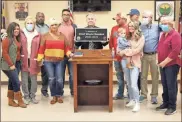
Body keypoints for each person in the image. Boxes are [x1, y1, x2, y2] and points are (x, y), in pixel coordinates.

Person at [37, 18, 74, 104]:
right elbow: (41, 49)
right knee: (51, 79)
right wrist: (39, 59)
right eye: (52, 25)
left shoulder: (62, 36)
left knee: (60, 79)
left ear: (58, 26)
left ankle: (59, 95)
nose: (54, 26)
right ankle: (54, 96)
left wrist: (70, 54)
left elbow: (67, 48)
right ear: (49, 26)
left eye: (55, 25)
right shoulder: (45, 36)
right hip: (48, 61)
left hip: (60, 61)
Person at [156, 16, 181, 115]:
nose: (163, 25)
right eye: (162, 23)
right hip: (163, 64)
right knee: (165, 84)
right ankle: (165, 103)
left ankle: (172, 106)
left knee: (171, 86)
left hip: (172, 64)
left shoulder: (176, 35)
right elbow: (160, 48)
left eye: (165, 23)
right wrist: (159, 61)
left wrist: (164, 62)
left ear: (171, 24)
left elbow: (175, 52)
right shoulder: (163, 34)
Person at [117, 21, 145, 112]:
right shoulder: (127, 36)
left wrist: (125, 52)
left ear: (136, 26)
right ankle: (132, 100)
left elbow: (138, 50)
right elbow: (119, 47)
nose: (130, 27)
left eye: (132, 26)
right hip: (125, 61)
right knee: (128, 83)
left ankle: (137, 103)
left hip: (135, 62)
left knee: (133, 84)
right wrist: (120, 51)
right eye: (129, 26)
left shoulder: (141, 37)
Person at [1, 22, 27, 108]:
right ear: (10, 30)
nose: (16, 30)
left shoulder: (17, 38)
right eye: (14, 29)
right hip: (8, 65)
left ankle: (10, 101)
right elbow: (4, 53)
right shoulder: (6, 39)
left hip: (17, 63)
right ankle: (20, 100)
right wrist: (11, 64)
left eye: (18, 29)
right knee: (16, 81)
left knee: (12, 81)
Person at [140, 10, 160, 104]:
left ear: (151, 18)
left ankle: (154, 96)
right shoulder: (141, 27)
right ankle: (143, 94)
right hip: (143, 55)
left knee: (155, 76)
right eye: (143, 17)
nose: (143, 19)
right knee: (143, 76)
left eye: (145, 17)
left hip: (154, 55)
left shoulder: (157, 27)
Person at [20, 16, 41, 105]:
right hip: (24, 58)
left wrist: (40, 59)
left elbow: (40, 47)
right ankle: (26, 96)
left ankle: (33, 96)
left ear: (34, 24)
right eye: (28, 23)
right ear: (25, 24)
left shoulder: (38, 34)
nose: (29, 25)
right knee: (24, 79)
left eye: (31, 23)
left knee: (33, 79)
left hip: (34, 59)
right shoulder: (21, 33)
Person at [58, 9, 77, 96]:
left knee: (73, 76)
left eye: (67, 14)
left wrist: (75, 51)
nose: (66, 16)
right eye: (64, 14)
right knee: (60, 77)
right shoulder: (58, 26)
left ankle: (73, 92)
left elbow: (77, 40)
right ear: (62, 16)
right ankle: (60, 93)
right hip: (60, 55)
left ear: (70, 16)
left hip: (71, 55)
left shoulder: (74, 26)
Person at [109, 12, 128, 100]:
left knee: (128, 76)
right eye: (115, 19)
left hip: (126, 57)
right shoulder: (114, 28)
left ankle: (130, 94)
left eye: (118, 19)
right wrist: (112, 51)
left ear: (124, 19)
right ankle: (120, 93)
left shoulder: (128, 28)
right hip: (116, 57)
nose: (116, 20)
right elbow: (112, 42)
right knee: (119, 76)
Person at [35, 12, 50, 97]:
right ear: (36, 18)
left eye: (42, 16)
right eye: (39, 16)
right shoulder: (32, 27)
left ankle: (44, 90)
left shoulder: (47, 27)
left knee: (45, 73)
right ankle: (30, 91)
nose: (41, 18)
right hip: (33, 53)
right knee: (32, 73)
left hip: (44, 53)